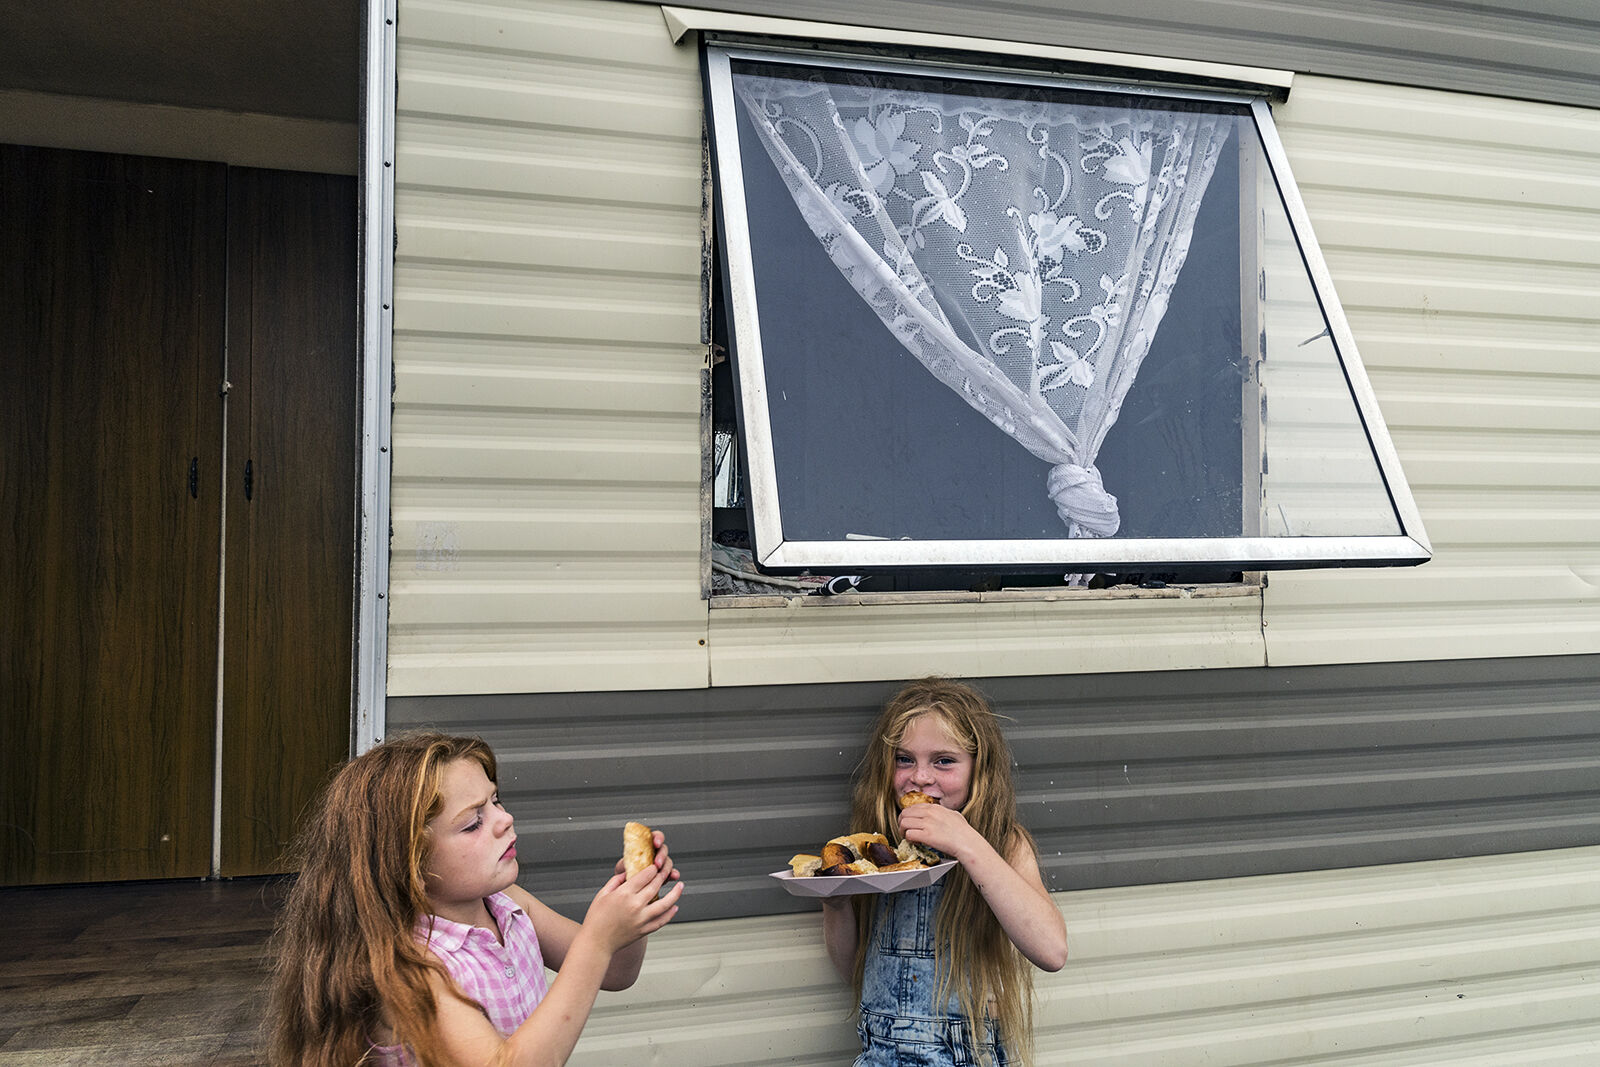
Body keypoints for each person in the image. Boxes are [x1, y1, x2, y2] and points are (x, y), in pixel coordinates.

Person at [267, 731, 683, 1067]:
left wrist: (633, 906)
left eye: (496, 800)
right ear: (407, 861)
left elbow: (614, 973)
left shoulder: (505, 904)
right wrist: (597, 939)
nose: (505, 819)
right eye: (472, 823)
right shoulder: (408, 966)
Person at [822, 678, 1067, 1067]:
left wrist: (968, 844)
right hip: (880, 1055)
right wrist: (836, 906)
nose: (920, 777)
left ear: (978, 770)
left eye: (944, 761)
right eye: (904, 759)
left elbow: (1052, 951)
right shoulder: (880, 851)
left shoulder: (1001, 844)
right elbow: (856, 971)